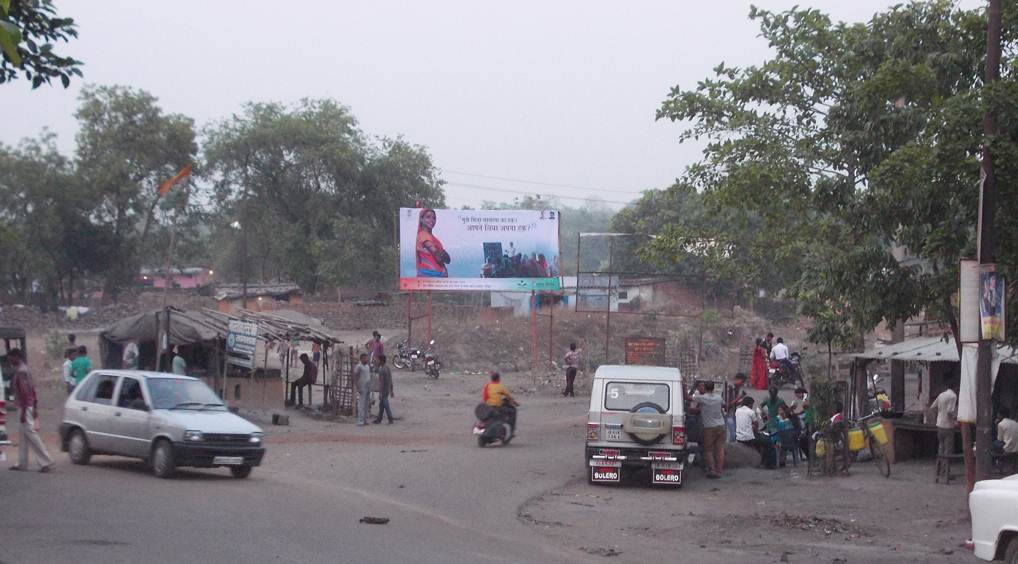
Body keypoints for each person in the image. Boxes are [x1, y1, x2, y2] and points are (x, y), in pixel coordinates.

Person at [7, 349, 54, 473]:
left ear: (17, 357)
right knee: (23, 435)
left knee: (31, 434)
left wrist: (23, 411)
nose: (9, 360)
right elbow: (32, 390)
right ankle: (22, 463)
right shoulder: (24, 369)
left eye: (11, 357)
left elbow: (24, 392)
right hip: (27, 406)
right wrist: (34, 407)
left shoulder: (21, 371)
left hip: (24, 407)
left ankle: (46, 461)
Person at [692, 381, 726, 479]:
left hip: (709, 428)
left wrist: (685, 387)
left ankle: (712, 470)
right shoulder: (719, 398)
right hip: (721, 425)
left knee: (709, 450)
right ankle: (719, 471)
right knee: (720, 449)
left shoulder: (702, 398)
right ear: (713, 388)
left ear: (705, 388)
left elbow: (687, 397)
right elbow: (724, 405)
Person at [735, 396, 772, 468]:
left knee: (760, 441)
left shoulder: (737, 410)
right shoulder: (751, 412)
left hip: (739, 437)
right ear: (749, 404)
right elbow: (756, 426)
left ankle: (760, 459)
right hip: (749, 439)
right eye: (752, 404)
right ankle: (770, 464)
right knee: (768, 442)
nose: (752, 406)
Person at [416, 208, 450, 278]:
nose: (432, 220)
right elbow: (439, 257)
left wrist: (445, 256)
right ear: (421, 220)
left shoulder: (433, 238)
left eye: (434, 218)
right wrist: (444, 255)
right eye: (428, 217)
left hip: (436, 276)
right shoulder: (423, 235)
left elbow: (447, 259)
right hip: (429, 275)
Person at [929, 380, 958, 459]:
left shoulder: (941, 395)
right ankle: (946, 469)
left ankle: (939, 467)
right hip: (948, 426)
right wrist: (955, 420)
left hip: (939, 424)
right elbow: (950, 411)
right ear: (955, 388)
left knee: (941, 447)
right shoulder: (953, 396)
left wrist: (939, 414)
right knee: (948, 449)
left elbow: (932, 407)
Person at [726, 373, 748, 441]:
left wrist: (742, 401)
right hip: (728, 415)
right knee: (732, 435)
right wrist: (739, 398)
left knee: (735, 435)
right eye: (742, 382)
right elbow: (728, 405)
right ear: (737, 379)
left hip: (733, 415)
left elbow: (734, 404)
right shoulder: (730, 388)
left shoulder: (736, 388)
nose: (742, 384)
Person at [374, 354, 395, 424]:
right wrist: (391, 390)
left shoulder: (381, 370)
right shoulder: (387, 368)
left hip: (383, 390)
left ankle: (390, 418)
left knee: (385, 405)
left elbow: (381, 382)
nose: (377, 361)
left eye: (378, 360)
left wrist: (380, 392)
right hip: (387, 389)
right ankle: (379, 419)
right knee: (381, 405)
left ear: (381, 361)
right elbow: (390, 379)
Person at [354, 353, 372, 426]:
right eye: (364, 358)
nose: (366, 359)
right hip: (362, 386)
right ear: (361, 359)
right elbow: (355, 376)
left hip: (367, 386)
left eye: (366, 358)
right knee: (361, 404)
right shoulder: (358, 366)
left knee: (366, 404)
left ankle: (364, 420)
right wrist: (357, 386)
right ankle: (360, 421)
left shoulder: (367, 366)